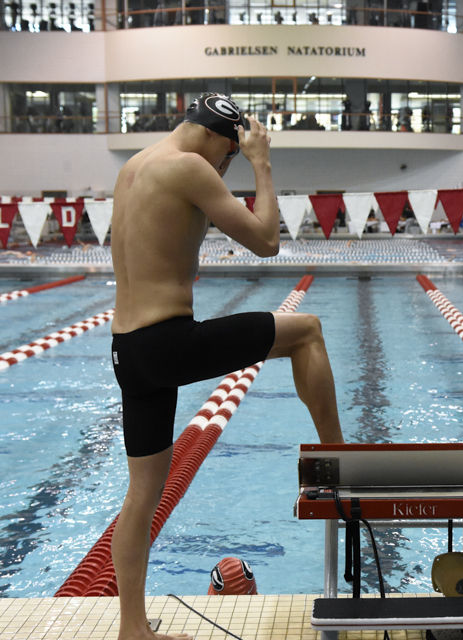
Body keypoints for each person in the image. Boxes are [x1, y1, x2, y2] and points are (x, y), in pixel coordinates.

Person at [109, 93, 344, 640]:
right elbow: (266, 241)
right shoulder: (189, 166)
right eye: (231, 156)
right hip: (166, 340)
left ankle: (132, 630)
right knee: (306, 331)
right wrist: (262, 162)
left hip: (127, 350)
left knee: (140, 497)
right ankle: (338, 461)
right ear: (220, 137)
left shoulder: (134, 166)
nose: (226, 167)